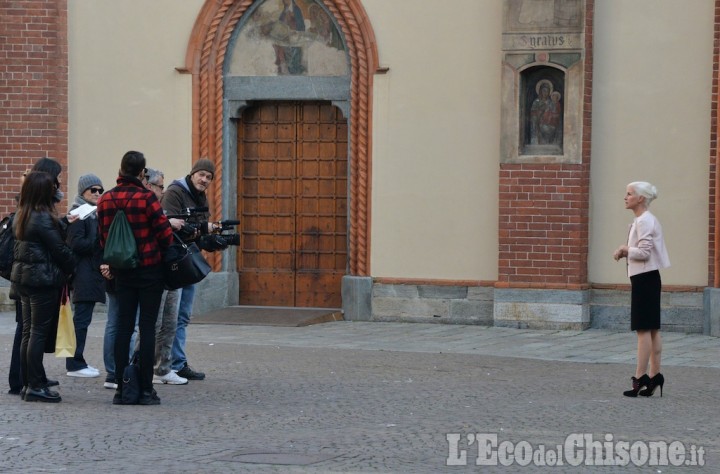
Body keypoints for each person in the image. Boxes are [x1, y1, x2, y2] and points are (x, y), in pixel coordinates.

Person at [97, 151, 174, 405]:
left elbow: (103, 237)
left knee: (123, 327)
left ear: (121, 169)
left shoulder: (105, 199)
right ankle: (144, 390)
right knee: (148, 328)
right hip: (150, 269)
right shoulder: (147, 198)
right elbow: (165, 234)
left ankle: (121, 387)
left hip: (122, 271)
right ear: (142, 173)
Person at [11, 171, 78, 402]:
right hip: (42, 280)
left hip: (25, 279)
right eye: (52, 188)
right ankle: (36, 386)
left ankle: (29, 383)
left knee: (29, 332)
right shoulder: (42, 217)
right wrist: (72, 263)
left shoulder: (23, 213)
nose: (56, 191)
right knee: (37, 332)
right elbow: (59, 250)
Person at [162, 158, 227, 381]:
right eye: (202, 175)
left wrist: (211, 240)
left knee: (182, 317)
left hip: (187, 261)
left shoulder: (201, 196)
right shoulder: (174, 192)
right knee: (170, 318)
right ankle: (166, 364)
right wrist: (200, 230)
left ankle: (178, 363)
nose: (205, 180)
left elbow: (195, 233)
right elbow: (169, 227)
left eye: (209, 177)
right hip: (175, 263)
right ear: (192, 174)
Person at [613, 181, 671, 398]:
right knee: (652, 329)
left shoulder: (644, 220)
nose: (625, 197)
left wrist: (624, 249)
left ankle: (640, 378)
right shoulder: (644, 220)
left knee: (643, 330)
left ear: (640, 198)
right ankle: (655, 375)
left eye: (629, 194)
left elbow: (644, 252)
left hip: (644, 278)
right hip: (648, 278)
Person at [144, 168, 187, 385]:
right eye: (161, 186)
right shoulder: (144, 206)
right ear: (149, 186)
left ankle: (163, 368)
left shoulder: (159, 207)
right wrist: (167, 224)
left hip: (170, 269)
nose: (163, 190)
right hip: (153, 271)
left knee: (170, 321)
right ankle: (143, 367)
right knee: (153, 323)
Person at [65, 174, 105, 378]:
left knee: (83, 319)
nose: (97, 193)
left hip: (90, 272)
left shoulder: (93, 213)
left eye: (100, 190)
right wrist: (99, 240)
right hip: (82, 273)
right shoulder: (79, 213)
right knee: (80, 320)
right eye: (93, 190)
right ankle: (74, 364)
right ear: (83, 192)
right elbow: (75, 244)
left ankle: (77, 361)